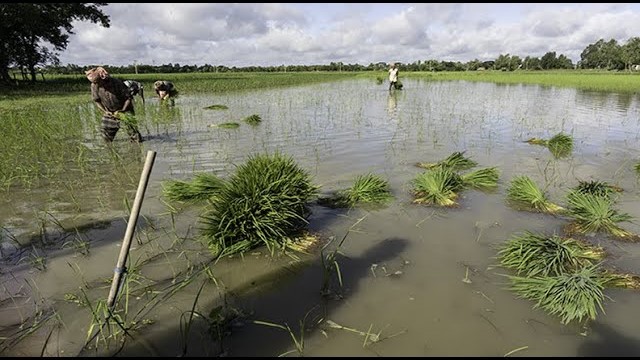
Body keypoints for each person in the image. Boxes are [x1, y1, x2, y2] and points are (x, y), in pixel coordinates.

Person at [85, 67, 143, 143]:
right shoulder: (94, 86)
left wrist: (122, 110)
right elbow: (97, 101)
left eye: (97, 81)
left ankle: (137, 148)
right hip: (110, 112)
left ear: (102, 79)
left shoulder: (116, 83)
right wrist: (105, 111)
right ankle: (110, 150)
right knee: (107, 137)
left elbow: (128, 98)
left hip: (125, 109)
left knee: (134, 133)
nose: (96, 84)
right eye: (94, 82)